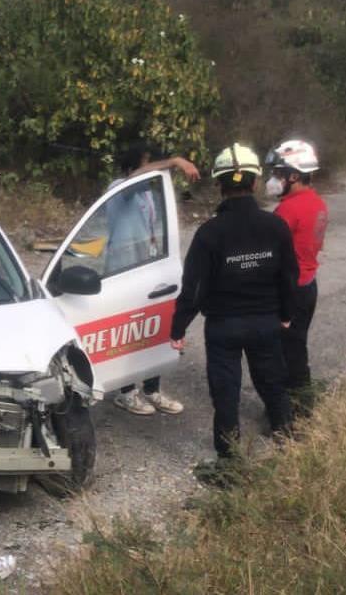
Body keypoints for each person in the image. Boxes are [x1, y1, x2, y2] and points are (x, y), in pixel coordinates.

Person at [169, 143, 298, 484]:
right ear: (255, 183)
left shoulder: (210, 233)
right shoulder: (276, 227)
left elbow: (194, 288)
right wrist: (286, 314)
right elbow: (289, 276)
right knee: (273, 383)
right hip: (266, 322)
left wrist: (178, 327)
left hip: (224, 327)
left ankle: (230, 467)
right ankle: (290, 446)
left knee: (226, 394)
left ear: (219, 185)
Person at [107, 142, 200, 415]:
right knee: (129, 329)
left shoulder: (148, 194)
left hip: (147, 266)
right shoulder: (119, 187)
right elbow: (137, 176)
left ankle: (152, 389)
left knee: (154, 326)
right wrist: (174, 161)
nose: (150, 168)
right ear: (133, 165)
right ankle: (126, 392)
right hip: (123, 269)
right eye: (146, 162)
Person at [264, 140, 328, 416]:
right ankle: (303, 405)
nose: (274, 180)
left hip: (289, 290)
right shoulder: (317, 203)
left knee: (281, 354)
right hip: (308, 285)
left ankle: (287, 413)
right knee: (296, 348)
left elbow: (270, 252)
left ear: (294, 176)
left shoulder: (288, 210)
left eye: (279, 174)